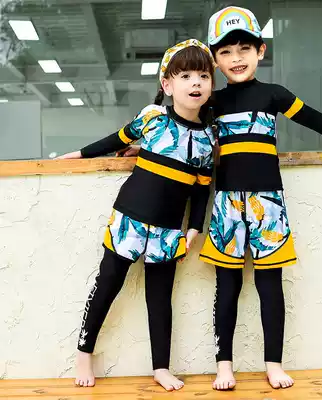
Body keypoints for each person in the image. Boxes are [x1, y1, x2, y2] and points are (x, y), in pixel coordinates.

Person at [198, 6, 322, 391]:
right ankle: (224, 366)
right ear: (214, 60)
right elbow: (178, 127)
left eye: (244, 49)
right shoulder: (211, 103)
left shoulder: (273, 94)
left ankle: (273, 364)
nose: (236, 58)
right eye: (226, 52)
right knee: (227, 286)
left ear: (260, 51)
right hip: (227, 205)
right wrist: (139, 148)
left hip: (269, 205)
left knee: (270, 285)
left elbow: (313, 118)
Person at [57, 39, 216, 391]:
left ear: (210, 85)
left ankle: (161, 368)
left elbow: (201, 189)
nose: (195, 82)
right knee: (107, 285)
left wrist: (194, 228)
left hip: (168, 230)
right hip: (129, 218)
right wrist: (79, 154)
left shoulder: (208, 139)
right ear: (167, 85)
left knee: (160, 298)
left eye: (203, 76)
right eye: (186, 76)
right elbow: (115, 139)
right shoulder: (153, 118)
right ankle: (84, 353)